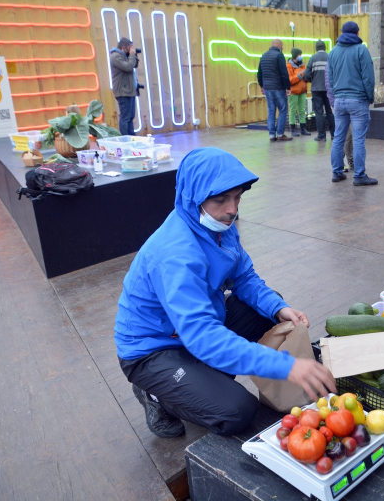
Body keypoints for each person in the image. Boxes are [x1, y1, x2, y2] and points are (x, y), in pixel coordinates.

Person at [114, 147, 336, 438]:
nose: (232, 209)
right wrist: (285, 366)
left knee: (264, 310)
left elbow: (243, 276)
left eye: (237, 197)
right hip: (153, 350)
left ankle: (200, 379)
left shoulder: (219, 225)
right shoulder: (175, 255)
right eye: (221, 199)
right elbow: (203, 335)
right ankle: (155, 393)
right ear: (194, 197)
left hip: (191, 331)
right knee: (236, 411)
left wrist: (277, 306)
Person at [326, 21, 377, 186]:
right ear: (357, 32)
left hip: (339, 101)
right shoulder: (361, 50)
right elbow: (368, 77)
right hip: (357, 100)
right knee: (358, 139)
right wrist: (369, 97)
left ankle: (337, 172)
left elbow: (330, 79)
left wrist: (334, 98)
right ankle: (359, 175)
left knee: (338, 137)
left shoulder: (333, 52)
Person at [257, 39, 292, 142]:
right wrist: (288, 87)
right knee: (283, 109)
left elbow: (259, 73)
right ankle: (280, 133)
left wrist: (262, 85)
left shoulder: (263, 55)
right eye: (282, 46)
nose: (283, 48)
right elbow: (283, 73)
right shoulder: (279, 55)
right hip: (278, 87)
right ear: (279, 46)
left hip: (267, 88)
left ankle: (272, 135)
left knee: (271, 111)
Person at [304, 40, 334, 141]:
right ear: (325, 47)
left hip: (316, 89)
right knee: (330, 112)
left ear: (316, 48)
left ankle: (321, 136)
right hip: (328, 89)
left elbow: (307, 75)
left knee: (319, 112)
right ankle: (334, 134)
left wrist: (311, 79)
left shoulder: (313, 58)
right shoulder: (330, 57)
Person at [109, 37, 139, 136]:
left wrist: (134, 56)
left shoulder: (124, 56)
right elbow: (128, 67)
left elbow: (134, 65)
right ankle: (125, 139)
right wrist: (131, 55)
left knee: (130, 116)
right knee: (125, 117)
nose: (132, 49)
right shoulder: (116, 56)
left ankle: (131, 137)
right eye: (130, 47)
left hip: (130, 91)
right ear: (124, 47)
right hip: (123, 91)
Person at [286, 48, 310, 137]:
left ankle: (303, 128)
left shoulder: (303, 65)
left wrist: (306, 76)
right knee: (292, 110)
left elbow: (306, 76)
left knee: (302, 110)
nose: (301, 56)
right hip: (294, 92)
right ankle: (292, 129)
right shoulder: (289, 66)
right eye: (299, 55)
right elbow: (290, 80)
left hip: (303, 91)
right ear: (295, 56)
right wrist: (300, 75)